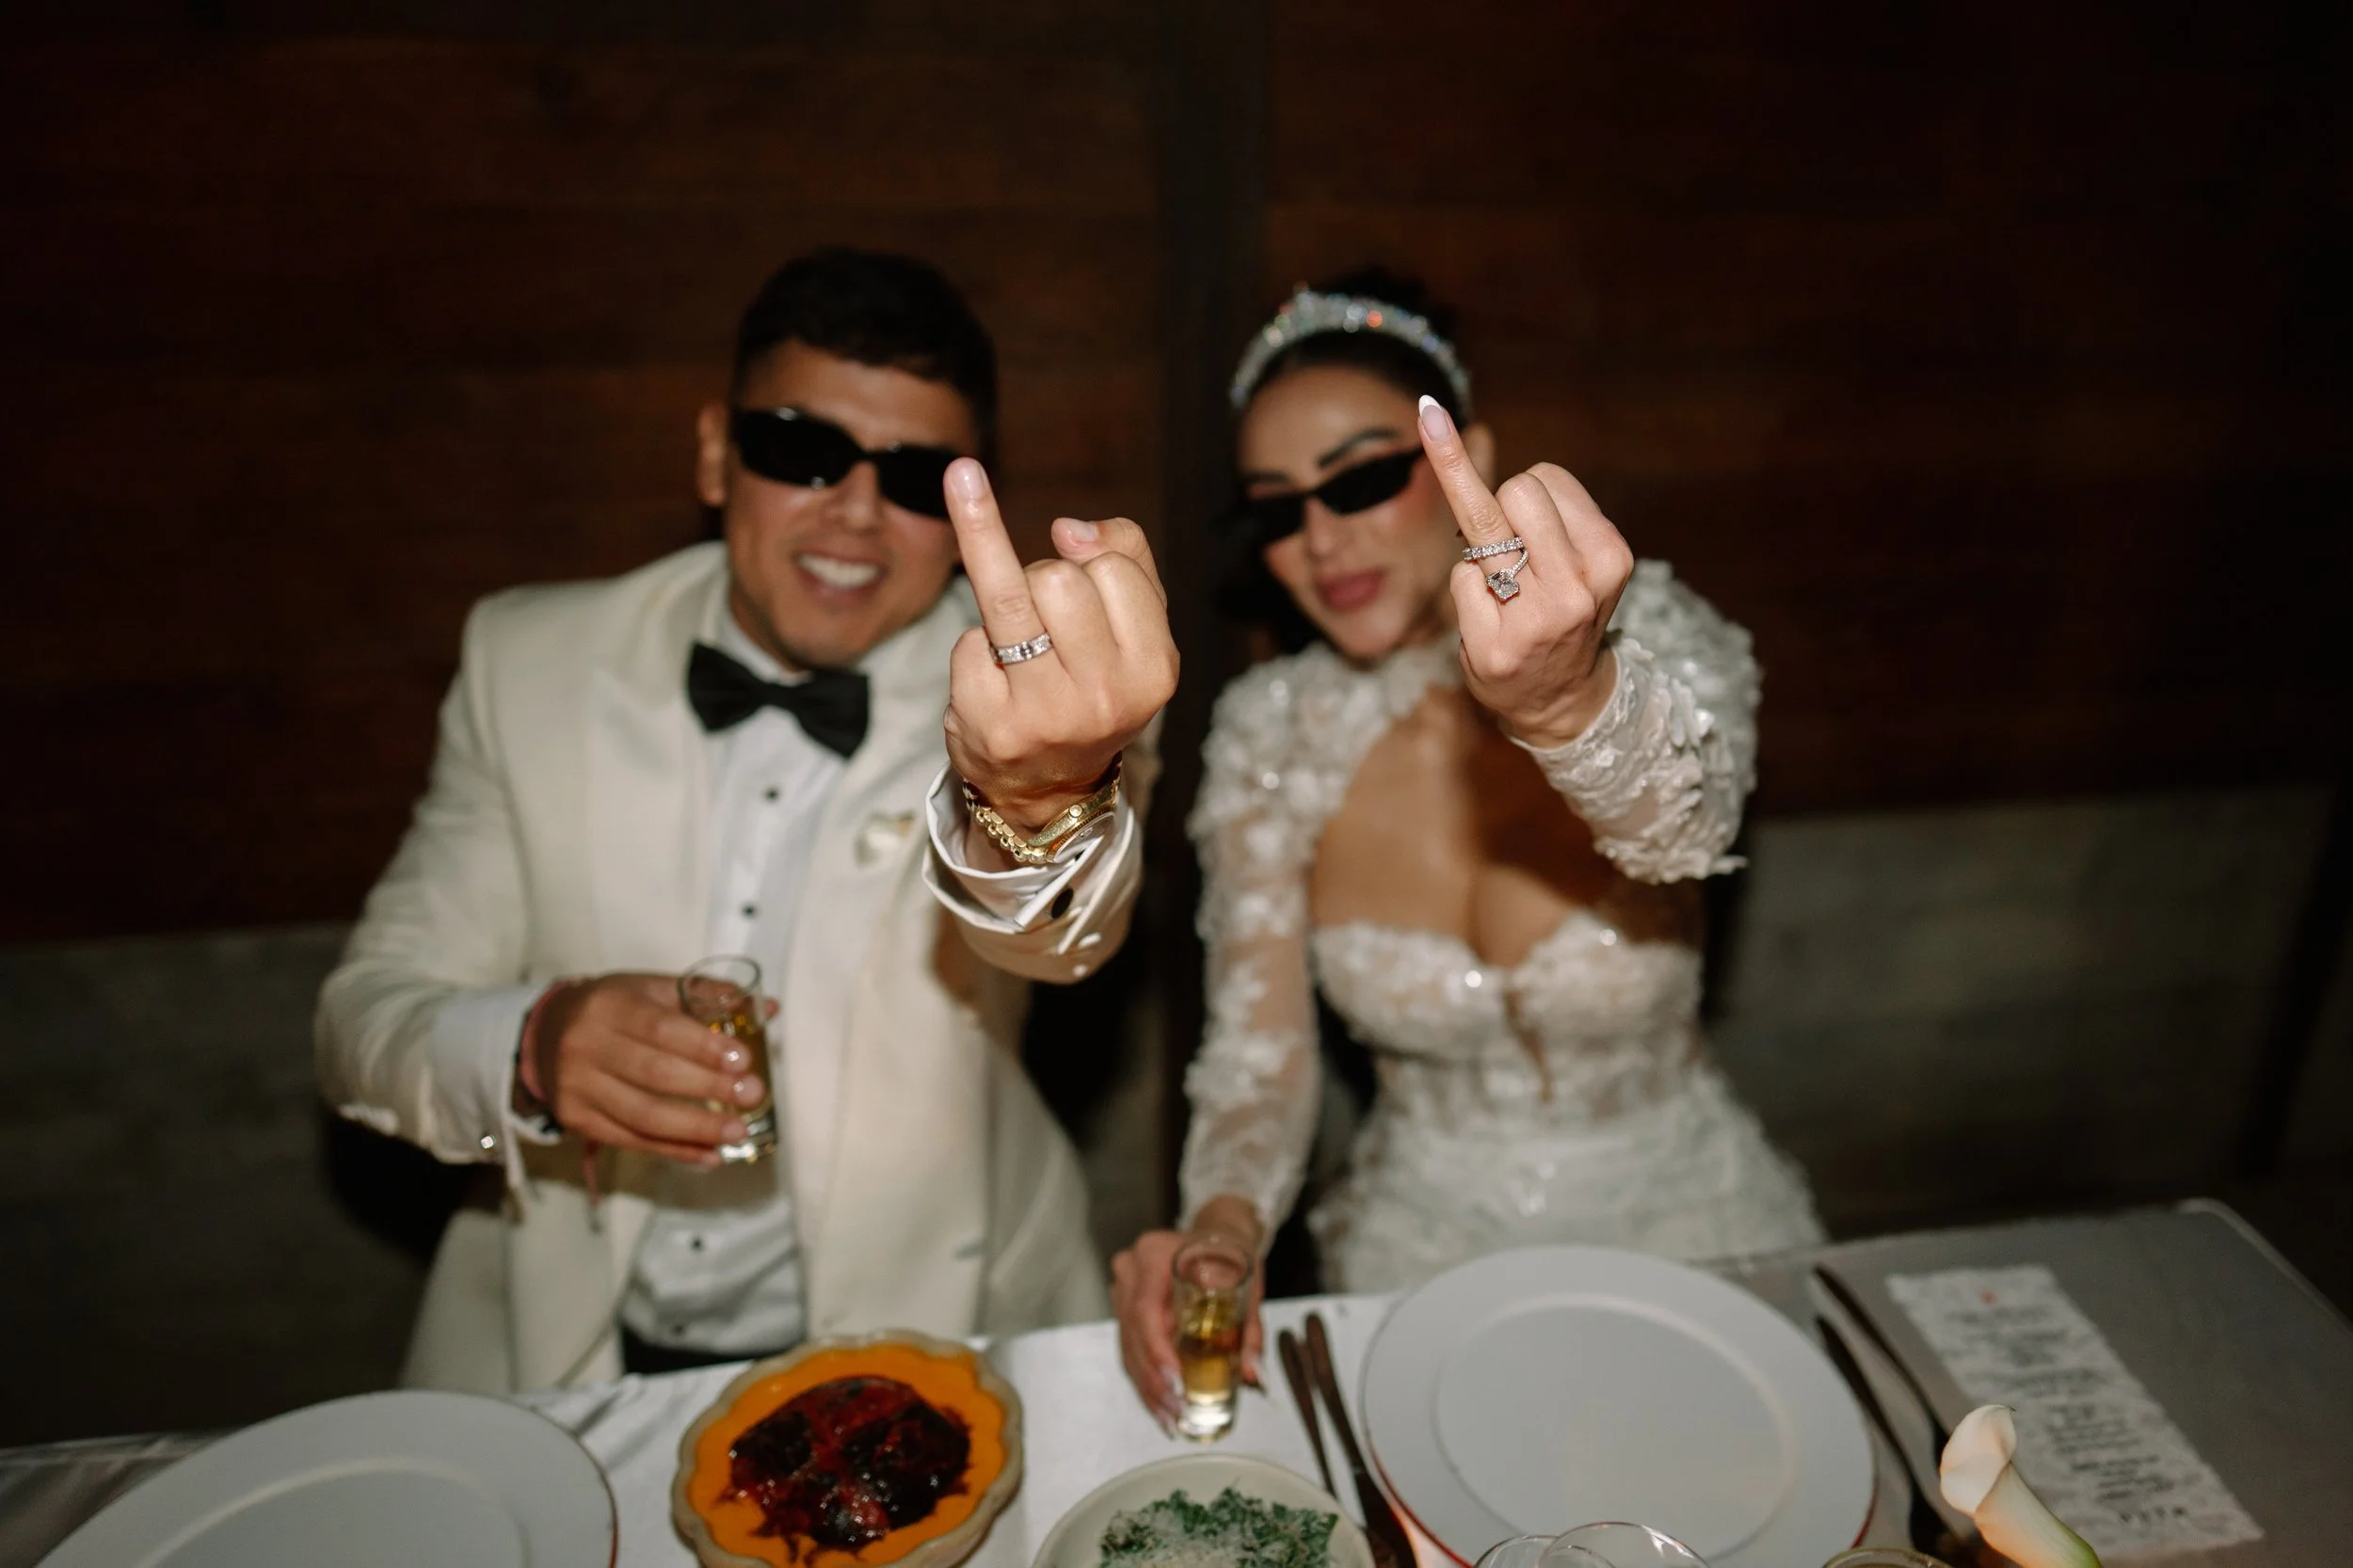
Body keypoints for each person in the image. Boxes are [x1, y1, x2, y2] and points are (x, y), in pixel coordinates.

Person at [318, 248, 1176, 1392]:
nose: (858, 514)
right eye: (802, 450)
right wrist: (532, 1045)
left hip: (940, 1331)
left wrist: (1040, 792)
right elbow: (362, 1018)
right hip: (566, 1354)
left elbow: (1062, 940)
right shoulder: (527, 661)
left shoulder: (1041, 697)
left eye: (916, 475)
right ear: (718, 452)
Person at [1111, 274, 1820, 1420]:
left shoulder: (1634, 626)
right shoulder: (1267, 731)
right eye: (1274, 506)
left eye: (1363, 477)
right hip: (1419, 1251)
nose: (1319, 536)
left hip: (1694, 1226)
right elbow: (1257, 1057)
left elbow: (1683, 829)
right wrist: (1223, 1226)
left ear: (1467, 455)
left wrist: (1565, 701)